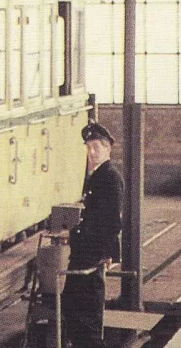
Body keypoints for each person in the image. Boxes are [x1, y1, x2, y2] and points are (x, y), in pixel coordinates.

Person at [62, 122, 125, 348]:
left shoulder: (109, 177)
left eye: (96, 147)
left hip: (92, 254)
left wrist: (105, 253)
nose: (91, 152)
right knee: (74, 305)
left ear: (108, 148)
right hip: (86, 251)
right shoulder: (98, 176)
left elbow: (112, 221)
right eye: (88, 147)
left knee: (84, 311)